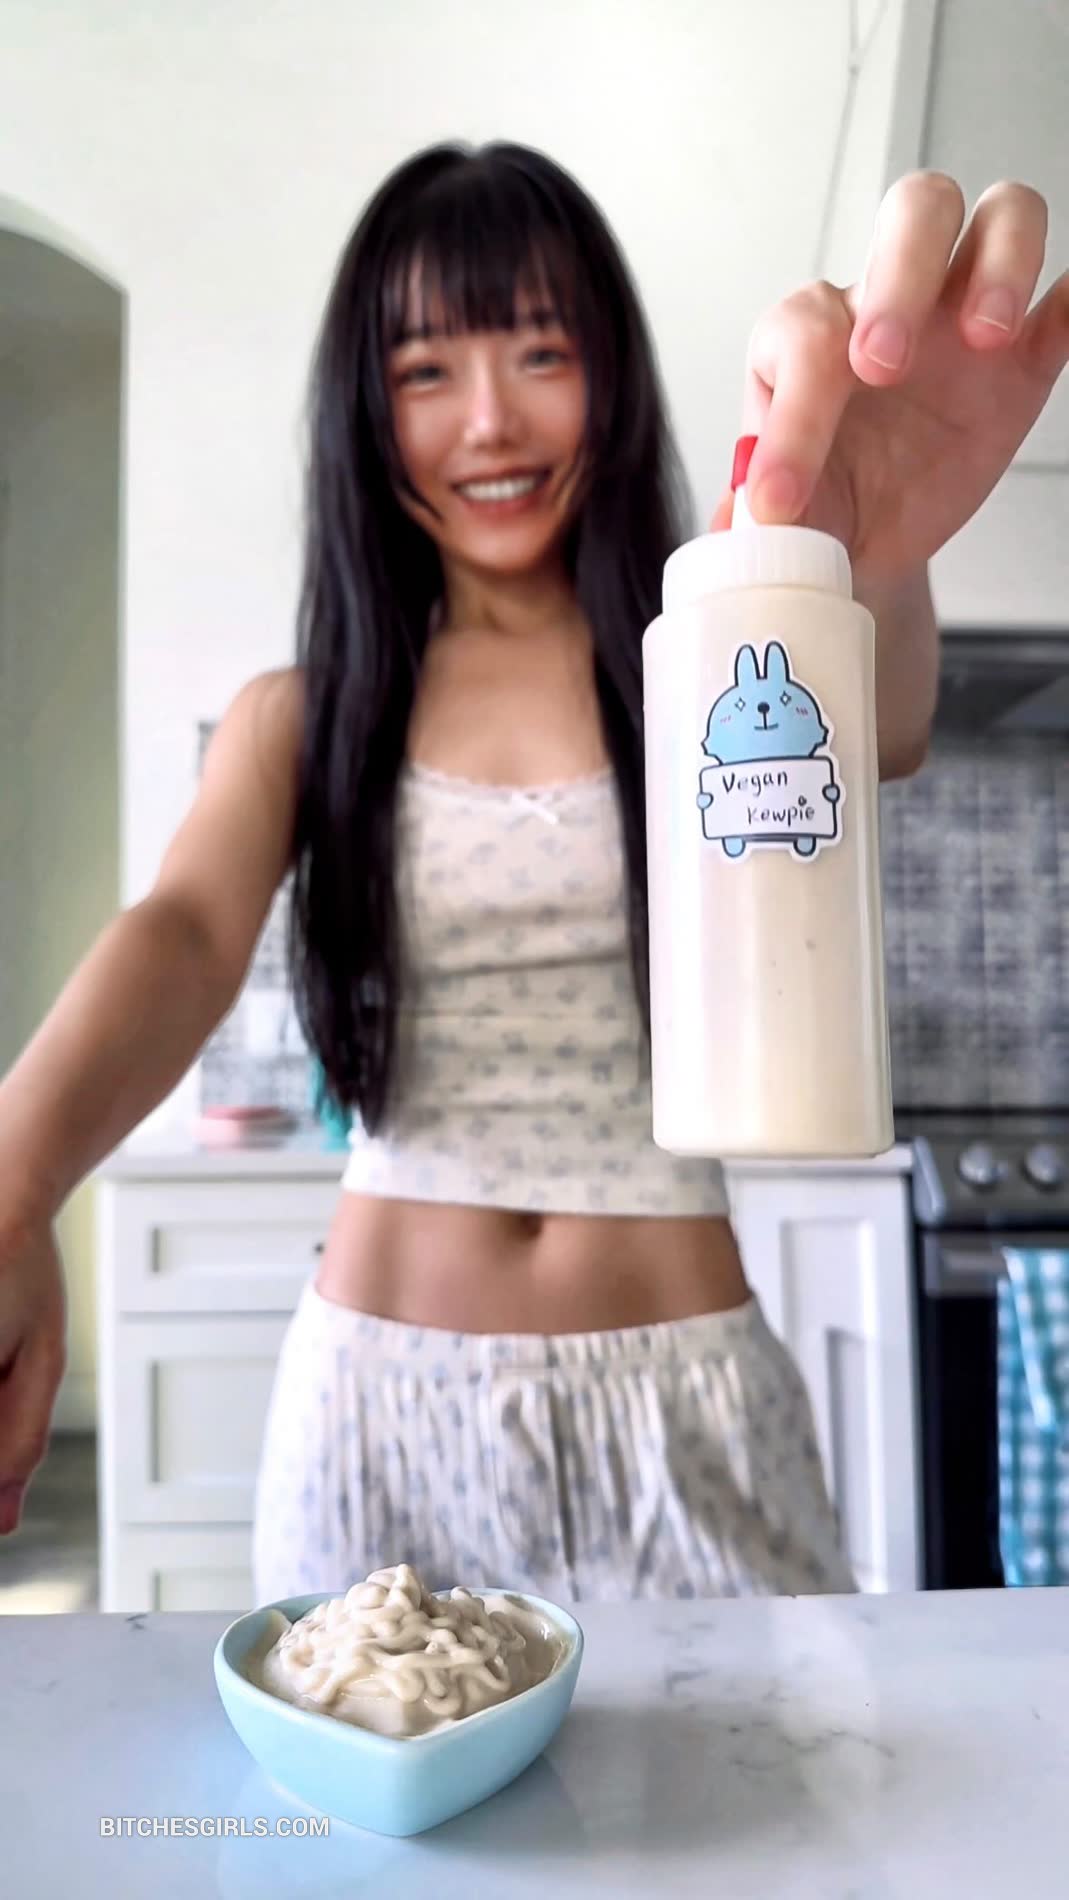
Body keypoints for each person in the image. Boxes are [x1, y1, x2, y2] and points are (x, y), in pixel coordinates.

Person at [0, 146, 1065, 1599]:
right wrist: (16, 1182)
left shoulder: (705, 659)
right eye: (425, 370)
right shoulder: (304, 715)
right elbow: (183, 930)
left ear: (611, 377)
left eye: (540, 352)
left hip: (686, 1404)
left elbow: (876, 726)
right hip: (380, 1414)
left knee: (775, 1760)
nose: (489, 419)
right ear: (364, 412)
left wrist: (865, 549)